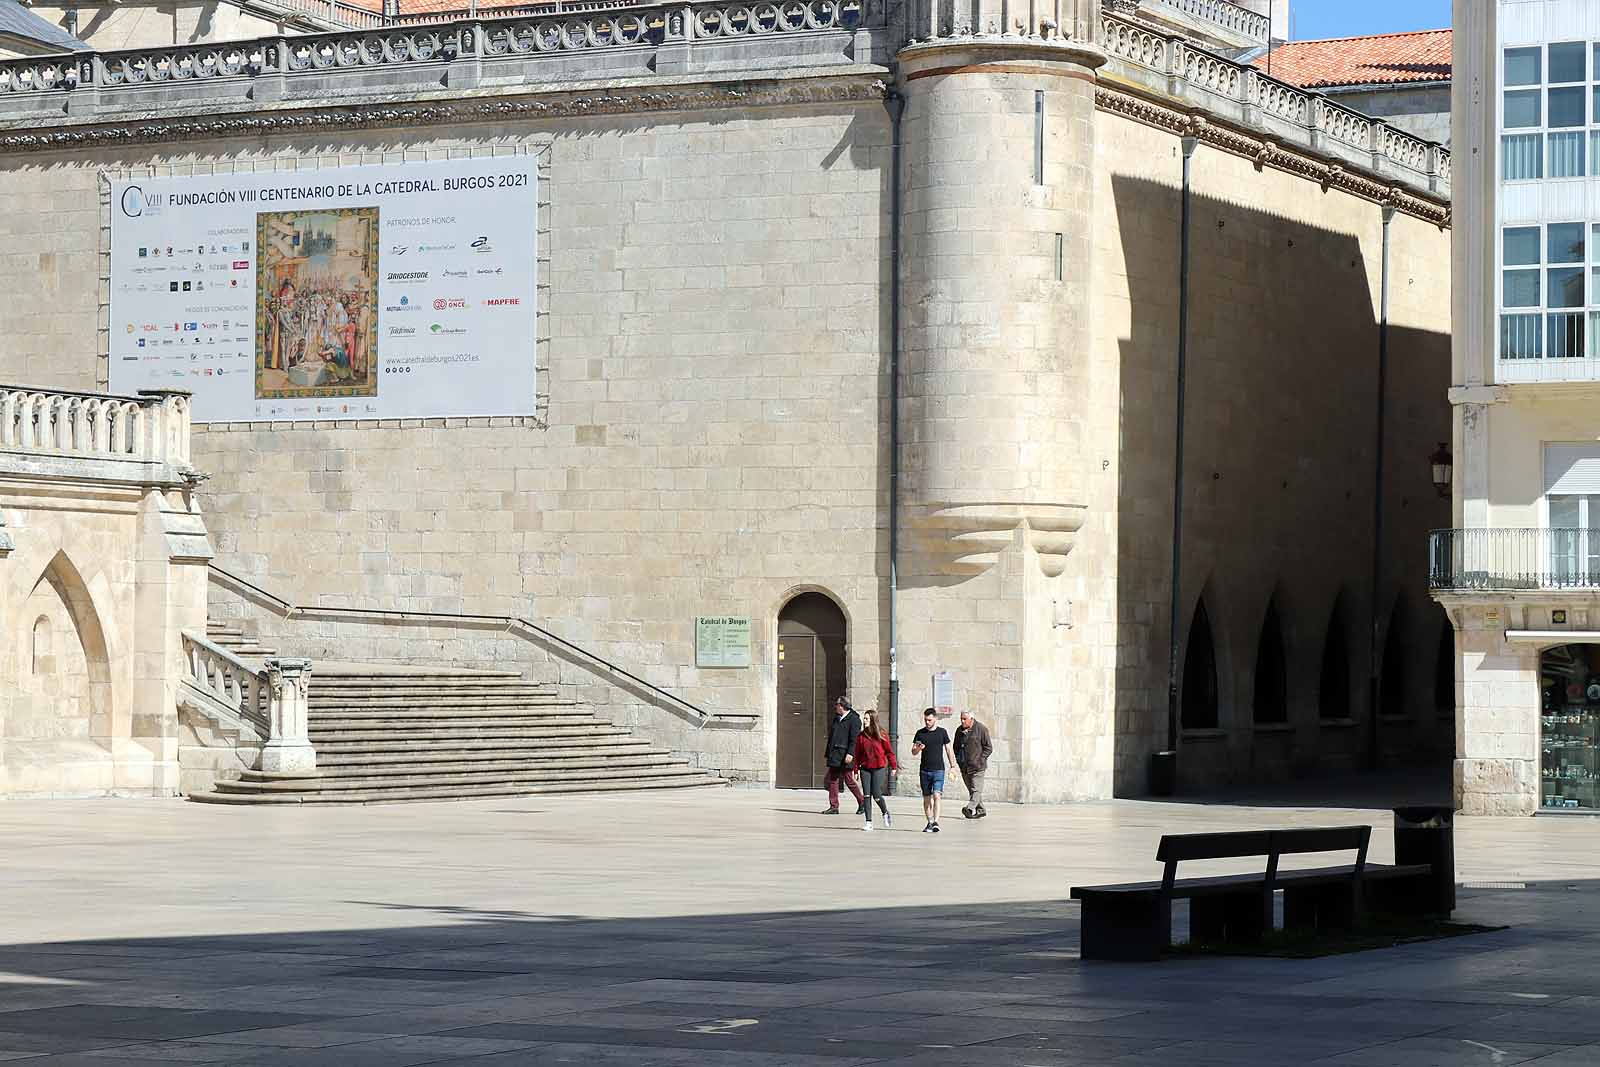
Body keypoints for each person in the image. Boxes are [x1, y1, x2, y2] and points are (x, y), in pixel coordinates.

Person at [910, 707, 955, 833]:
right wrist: (919, 748)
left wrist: (953, 766)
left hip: (938, 770)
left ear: (935, 718)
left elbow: (948, 749)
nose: (927, 722)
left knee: (937, 796)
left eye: (929, 720)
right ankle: (929, 821)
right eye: (925, 720)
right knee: (926, 799)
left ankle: (935, 822)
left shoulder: (942, 732)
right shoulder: (920, 733)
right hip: (924, 770)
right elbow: (913, 751)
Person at [853, 710, 897, 830]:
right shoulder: (861, 736)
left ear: (873, 720)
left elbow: (889, 752)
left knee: (876, 794)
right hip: (865, 768)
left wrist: (893, 766)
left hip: (879, 767)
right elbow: (857, 754)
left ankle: (885, 812)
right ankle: (868, 822)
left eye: (867, 718)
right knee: (866, 795)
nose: (864, 721)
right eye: (864, 718)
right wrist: (856, 770)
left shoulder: (882, 734)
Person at [820, 695, 864, 815]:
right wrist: (828, 752)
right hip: (835, 754)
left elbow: (854, 739)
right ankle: (834, 806)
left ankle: (862, 802)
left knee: (849, 780)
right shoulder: (837, 718)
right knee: (833, 779)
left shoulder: (854, 719)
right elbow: (833, 736)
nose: (835, 707)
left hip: (845, 755)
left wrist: (850, 753)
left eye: (837, 705)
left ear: (842, 706)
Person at [953, 710, 993, 819]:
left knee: (976, 789)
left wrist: (980, 760)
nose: (962, 721)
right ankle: (981, 810)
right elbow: (955, 747)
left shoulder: (981, 729)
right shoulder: (959, 730)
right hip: (964, 766)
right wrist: (958, 760)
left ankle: (969, 808)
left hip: (978, 767)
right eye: (961, 718)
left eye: (964, 719)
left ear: (971, 719)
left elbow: (988, 748)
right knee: (972, 790)